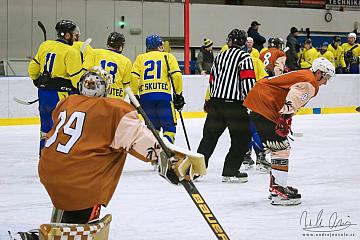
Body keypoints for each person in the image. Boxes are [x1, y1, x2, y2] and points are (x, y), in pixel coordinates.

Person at [15, 68, 205, 240]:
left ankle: (57, 228)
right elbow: (137, 138)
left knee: (66, 204)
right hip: (81, 182)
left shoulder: (67, 102)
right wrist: (167, 161)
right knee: (81, 221)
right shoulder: (113, 109)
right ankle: (60, 235)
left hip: (50, 170)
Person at [243, 57, 335, 205]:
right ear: (319, 72)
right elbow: (294, 94)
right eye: (326, 77)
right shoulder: (311, 82)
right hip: (265, 105)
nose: (326, 82)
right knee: (281, 148)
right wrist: (285, 118)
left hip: (260, 100)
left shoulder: (305, 74)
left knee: (279, 148)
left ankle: (276, 187)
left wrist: (285, 117)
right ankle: (278, 190)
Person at [197, 29, 256, 183]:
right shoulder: (245, 57)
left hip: (216, 103)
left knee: (208, 138)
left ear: (230, 41)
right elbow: (248, 84)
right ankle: (230, 171)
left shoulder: (220, 56)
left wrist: (209, 101)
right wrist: (252, 105)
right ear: (243, 42)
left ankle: (196, 170)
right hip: (235, 106)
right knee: (241, 138)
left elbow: (212, 80)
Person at [28, 20, 83, 151]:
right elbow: (76, 78)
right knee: (61, 129)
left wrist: (38, 81)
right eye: (73, 34)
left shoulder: (45, 45)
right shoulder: (71, 51)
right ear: (67, 35)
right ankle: (58, 162)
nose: (76, 36)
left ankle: (43, 157)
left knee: (45, 128)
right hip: (60, 95)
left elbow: (33, 68)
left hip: (43, 94)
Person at [131, 34, 184, 144]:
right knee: (169, 128)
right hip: (163, 97)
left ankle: (155, 156)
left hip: (146, 98)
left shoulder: (140, 58)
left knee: (152, 130)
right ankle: (166, 152)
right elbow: (177, 75)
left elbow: (134, 77)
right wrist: (178, 94)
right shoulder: (167, 56)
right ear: (159, 45)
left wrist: (135, 96)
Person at [83, 32, 132, 100]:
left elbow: (84, 73)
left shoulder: (94, 53)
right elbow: (126, 85)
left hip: (97, 95)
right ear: (121, 46)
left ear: (108, 44)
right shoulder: (126, 61)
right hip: (116, 98)